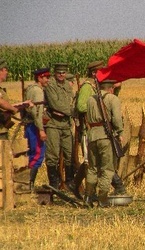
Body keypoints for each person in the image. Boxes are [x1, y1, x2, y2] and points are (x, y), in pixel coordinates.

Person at [68, 61, 127, 200]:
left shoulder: (98, 89)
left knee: (94, 165)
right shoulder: (88, 87)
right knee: (98, 165)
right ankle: (100, 196)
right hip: (92, 130)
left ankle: (88, 195)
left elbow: (107, 101)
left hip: (94, 132)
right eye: (101, 71)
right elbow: (81, 106)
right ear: (95, 72)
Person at [84, 79, 124, 208]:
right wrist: (119, 132)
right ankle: (102, 199)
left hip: (92, 136)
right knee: (107, 169)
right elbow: (117, 119)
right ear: (111, 88)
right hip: (106, 136)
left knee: (92, 168)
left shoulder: (90, 99)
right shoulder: (113, 99)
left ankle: (88, 197)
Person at [43, 63, 75, 190]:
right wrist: (71, 111)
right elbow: (55, 104)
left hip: (66, 124)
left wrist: (66, 110)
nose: (61, 75)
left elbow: (70, 101)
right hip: (54, 124)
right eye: (59, 73)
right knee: (53, 155)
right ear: (55, 73)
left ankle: (69, 181)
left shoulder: (67, 85)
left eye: (63, 73)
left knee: (69, 153)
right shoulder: (50, 85)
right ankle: (54, 183)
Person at [24, 68, 50, 190]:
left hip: (29, 125)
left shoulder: (30, 89)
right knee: (37, 154)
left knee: (30, 153)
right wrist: (41, 129)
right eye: (46, 77)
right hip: (35, 126)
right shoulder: (38, 91)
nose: (48, 80)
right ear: (40, 78)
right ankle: (29, 184)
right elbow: (37, 113)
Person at [0, 58, 22, 139]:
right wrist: (14, 109)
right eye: (6, 70)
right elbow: (1, 102)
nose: (7, 73)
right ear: (2, 70)